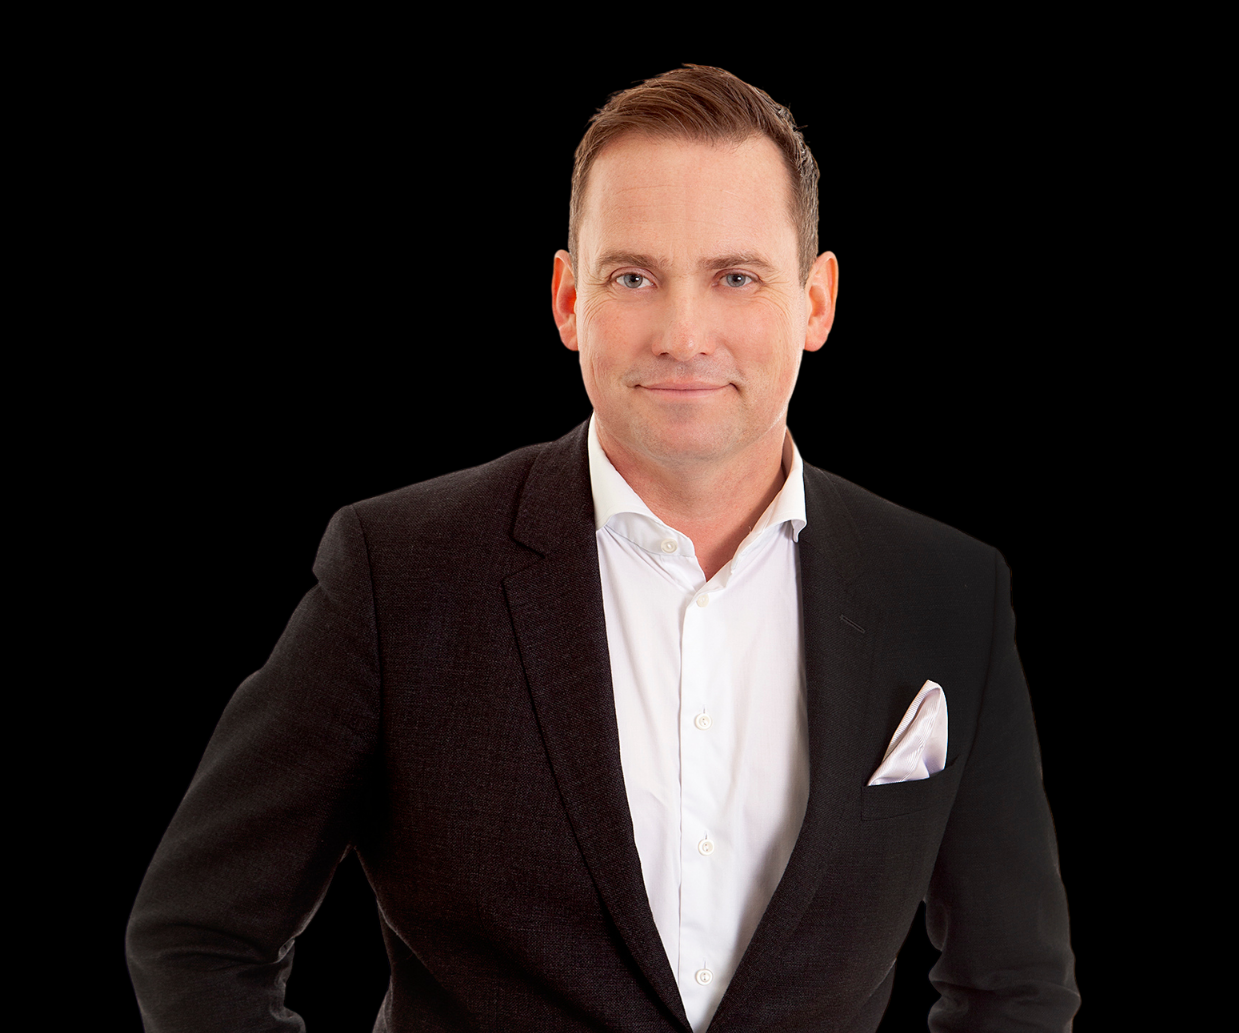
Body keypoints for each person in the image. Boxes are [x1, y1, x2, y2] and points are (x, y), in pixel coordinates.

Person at [126, 65, 1077, 1032]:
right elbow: (196, 939)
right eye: (633, 278)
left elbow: (1017, 987)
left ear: (817, 302)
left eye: (736, 277)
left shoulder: (948, 592)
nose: (683, 334)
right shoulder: (397, 572)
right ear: (568, 299)